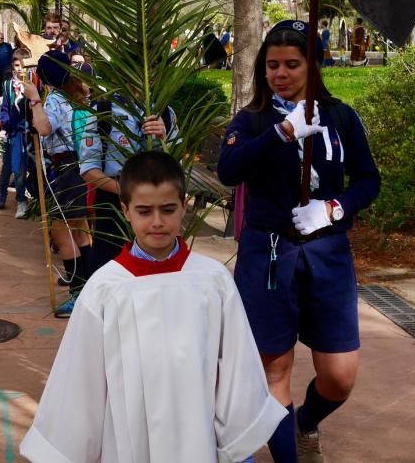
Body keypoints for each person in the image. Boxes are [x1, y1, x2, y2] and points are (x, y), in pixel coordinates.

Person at [20, 151, 286, 462]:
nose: (157, 222)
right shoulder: (105, 288)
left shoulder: (212, 281)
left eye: (168, 209)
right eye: (144, 211)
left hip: (198, 441)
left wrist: (239, 451)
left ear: (184, 205)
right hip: (127, 445)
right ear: (125, 210)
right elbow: (80, 381)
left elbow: (236, 372)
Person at [217, 19, 380, 462]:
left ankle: (306, 422)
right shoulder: (251, 120)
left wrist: (332, 209)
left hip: (327, 253)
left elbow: (368, 180)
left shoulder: (342, 116)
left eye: (292, 63)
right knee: (274, 369)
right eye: (272, 65)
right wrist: (282, 133)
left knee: (339, 376)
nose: (280, 73)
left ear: (315, 64)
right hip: (269, 253)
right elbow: (228, 169)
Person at [78, 90, 179, 271]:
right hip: (113, 204)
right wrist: (128, 191)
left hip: (157, 205)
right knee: (110, 270)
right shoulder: (103, 110)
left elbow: (178, 167)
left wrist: (163, 139)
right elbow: (88, 169)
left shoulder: (165, 112)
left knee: (156, 272)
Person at [29, 51, 94, 318]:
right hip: (84, 166)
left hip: (68, 167)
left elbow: (44, 128)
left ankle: (79, 293)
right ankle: (89, 287)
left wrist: (34, 99)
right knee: (81, 230)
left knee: (61, 231)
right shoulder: (79, 92)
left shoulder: (55, 97)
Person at [0, 56, 34, 217]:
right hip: (13, 132)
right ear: (12, 66)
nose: (19, 69)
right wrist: (4, 125)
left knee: (24, 167)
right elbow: (4, 108)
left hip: (30, 132)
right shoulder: (8, 84)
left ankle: (25, 197)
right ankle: (9, 196)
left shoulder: (32, 85)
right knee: (12, 166)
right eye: (17, 65)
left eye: (22, 66)